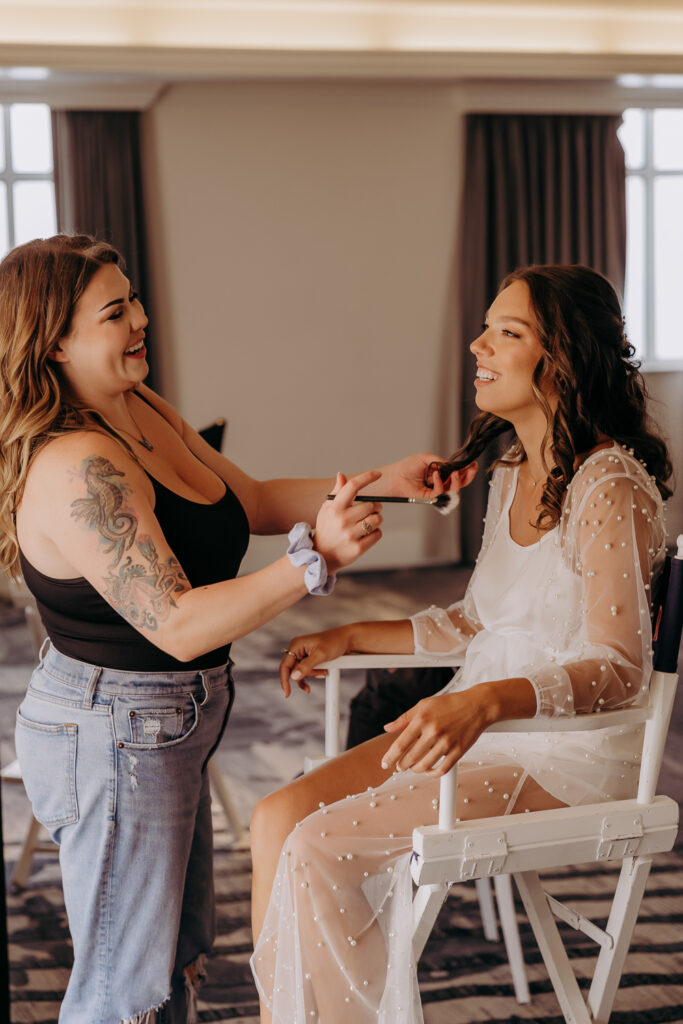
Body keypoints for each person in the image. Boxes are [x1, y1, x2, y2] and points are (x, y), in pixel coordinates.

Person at [0, 234, 462, 1024]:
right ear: (54, 341)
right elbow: (175, 624)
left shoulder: (135, 404)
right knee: (122, 991)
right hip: (113, 731)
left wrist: (390, 482)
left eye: (135, 299)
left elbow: (245, 499)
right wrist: (312, 559)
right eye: (116, 312)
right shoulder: (77, 462)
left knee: (172, 966)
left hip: (162, 724)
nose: (142, 319)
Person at [249, 264, 673, 1024]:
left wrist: (483, 703)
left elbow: (619, 669)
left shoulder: (608, 484)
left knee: (318, 848)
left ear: (562, 358)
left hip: (565, 755)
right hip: (479, 732)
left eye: (505, 333)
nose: (477, 344)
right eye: (485, 326)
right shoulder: (513, 470)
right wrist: (348, 632)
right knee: (275, 820)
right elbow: (478, 624)